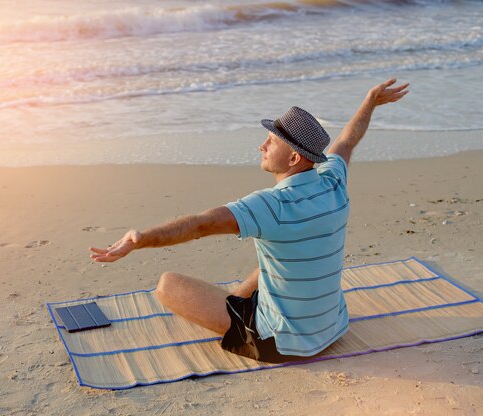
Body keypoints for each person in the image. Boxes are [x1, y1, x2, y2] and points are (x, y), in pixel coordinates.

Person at [89, 78, 409, 362]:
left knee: (167, 285)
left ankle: (245, 313)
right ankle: (242, 299)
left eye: (271, 141)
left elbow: (202, 224)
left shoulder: (272, 206)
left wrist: (141, 239)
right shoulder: (333, 179)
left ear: (295, 158)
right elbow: (347, 140)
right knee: (275, 256)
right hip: (332, 328)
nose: (262, 145)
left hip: (280, 343)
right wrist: (370, 102)